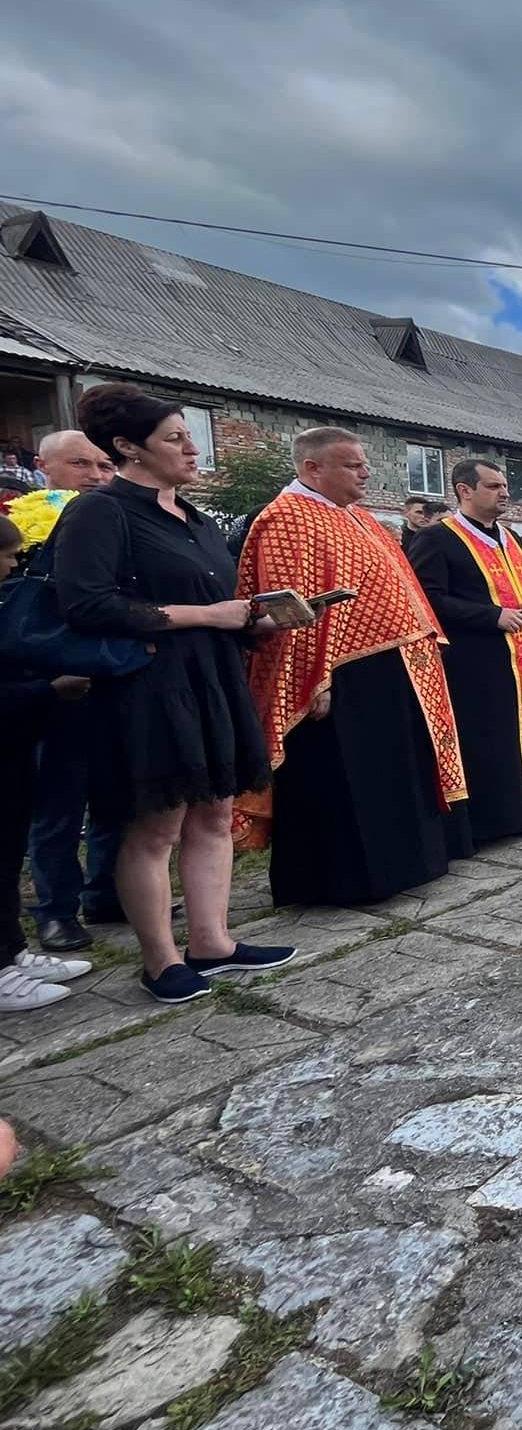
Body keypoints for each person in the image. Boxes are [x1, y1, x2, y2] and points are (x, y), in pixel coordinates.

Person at [53, 383, 298, 1003]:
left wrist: (252, 622)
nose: (193, 449)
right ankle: (161, 960)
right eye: (176, 438)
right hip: (149, 686)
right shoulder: (100, 511)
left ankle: (212, 941)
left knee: (215, 813)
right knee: (156, 828)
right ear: (128, 448)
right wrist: (207, 616)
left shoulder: (194, 518)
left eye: (191, 436)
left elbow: (219, 608)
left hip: (211, 676)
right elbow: (86, 604)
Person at [235, 426, 472, 905]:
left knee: (392, 772)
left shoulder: (357, 516)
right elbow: (285, 608)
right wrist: (310, 682)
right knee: (344, 779)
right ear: (312, 468)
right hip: (335, 676)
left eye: (364, 463)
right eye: (353, 465)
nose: (366, 472)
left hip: (390, 667)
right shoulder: (285, 518)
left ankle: (408, 863)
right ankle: (344, 882)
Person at [407, 459, 522, 842]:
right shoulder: (437, 539)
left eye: (505, 486)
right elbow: (430, 599)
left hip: (520, 653)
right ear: (464, 490)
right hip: (475, 659)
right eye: (494, 486)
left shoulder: (510, 537)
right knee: (490, 736)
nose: (505, 493)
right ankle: (494, 821)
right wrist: (491, 617)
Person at [20, 431, 119, 952]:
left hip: (115, 676)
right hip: (52, 684)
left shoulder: (118, 517)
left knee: (118, 794)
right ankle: (56, 909)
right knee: (58, 804)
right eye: (80, 464)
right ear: (44, 466)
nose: (95, 476)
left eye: (104, 465)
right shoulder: (23, 521)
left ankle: (107, 891)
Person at [0, 514, 94, 1011]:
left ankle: (12, 949)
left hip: (16, 742)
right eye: (8, 554)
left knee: (10, 850)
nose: (16, 563)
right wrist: (46, 690)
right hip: (22, 722)